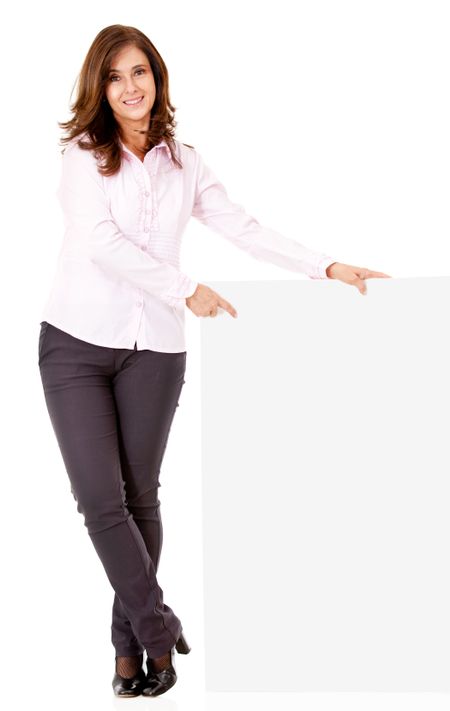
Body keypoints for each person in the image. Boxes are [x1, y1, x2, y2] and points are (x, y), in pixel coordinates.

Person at [37, 23, 392, 698]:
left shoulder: (184, 160)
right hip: (76, 345)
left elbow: (243, 228)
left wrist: (328, 265)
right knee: (99, 502)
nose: (130, 87)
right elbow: (99, 241)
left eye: (139, 71)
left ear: (157, 77)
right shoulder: (82, 155)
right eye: (114, 77)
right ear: (98, 88)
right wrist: (186, 287)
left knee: (139, 499)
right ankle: (158, 624)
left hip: (156, 352)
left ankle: (128, 656)